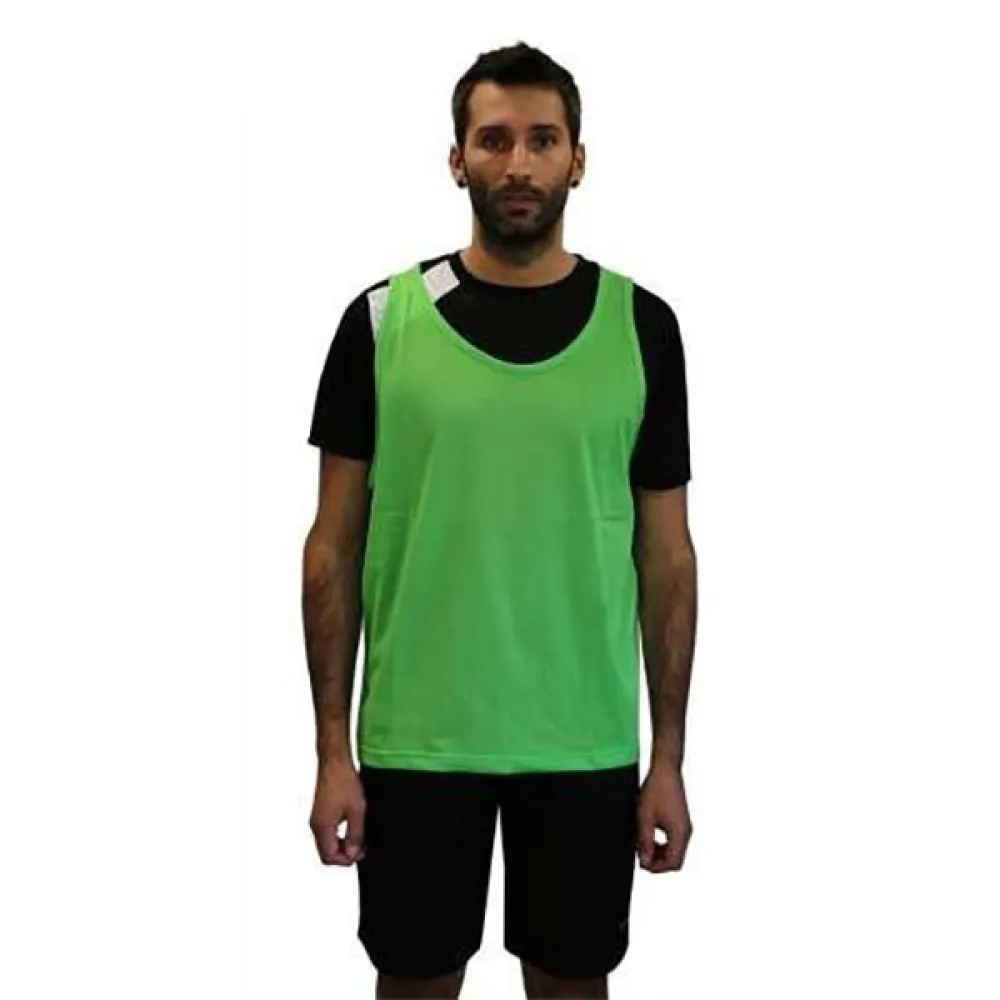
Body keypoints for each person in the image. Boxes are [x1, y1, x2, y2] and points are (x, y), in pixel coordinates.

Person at [302, 41, 698, 1000]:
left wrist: (670, 760)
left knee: (572, 985)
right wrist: (330, 754)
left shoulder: (643, 327)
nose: (518, 164)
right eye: (494, 140)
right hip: (416, 744)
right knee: (416, 983)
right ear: (457, 159)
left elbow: (669, 559)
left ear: (578, 159)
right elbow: (331, 553)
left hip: (585, 745)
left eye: (542, 140)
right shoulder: (381, 323)